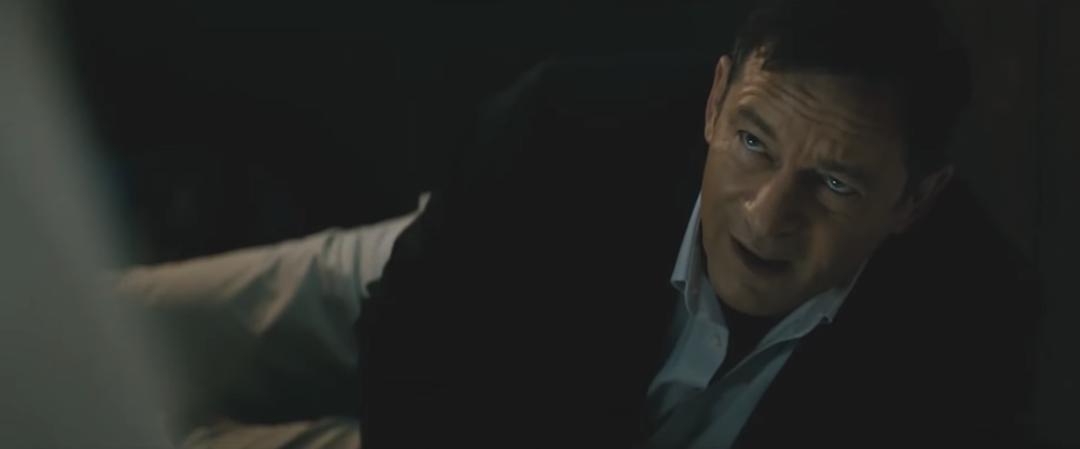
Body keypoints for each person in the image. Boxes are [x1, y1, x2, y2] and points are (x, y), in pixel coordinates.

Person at [117, 0, 1040, 448]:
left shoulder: (972, 334)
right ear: (716, 99)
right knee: (110, 334)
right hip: (471, 284)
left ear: (915, 200)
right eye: (754, 142)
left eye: (834, 183)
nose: (768, 215)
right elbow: (411, 341)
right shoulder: (562, 126)